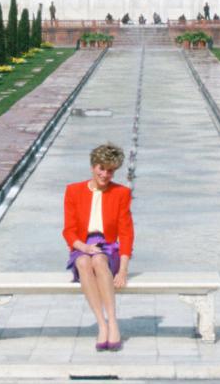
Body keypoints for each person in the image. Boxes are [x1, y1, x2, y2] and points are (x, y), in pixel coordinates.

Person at [63, 142, 133, 351]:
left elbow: (126, 233)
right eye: (101, 168)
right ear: (93, 166)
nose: (105, 174)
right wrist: (84, 247)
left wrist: (122, 270)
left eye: (110, 170)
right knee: (84, 261)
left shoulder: (121, 193)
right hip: (82, 246)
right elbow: (68, 230)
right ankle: (101, 324)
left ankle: (113, 322)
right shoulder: (73, 191)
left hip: (108, 246)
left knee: (99, 259)